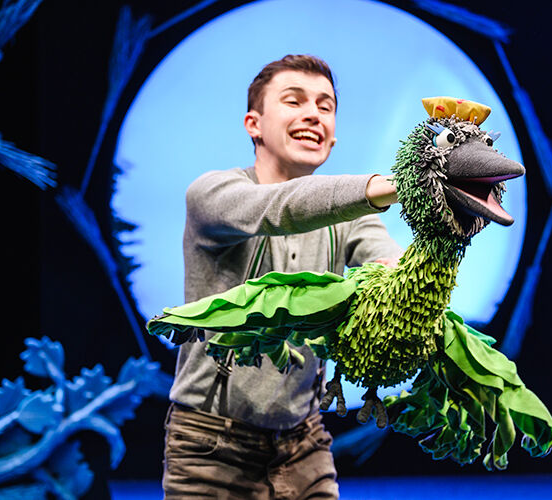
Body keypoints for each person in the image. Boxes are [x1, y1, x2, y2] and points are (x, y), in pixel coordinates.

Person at [163, 54, 402, 499]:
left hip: (304, 441)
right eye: (294, 101)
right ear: (253, 124)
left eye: (325, 106)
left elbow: (389, 264)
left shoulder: (353, 218)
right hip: (211, 445)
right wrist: (396, 184)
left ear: (333, 137)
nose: (313, 114)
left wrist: (437, 234)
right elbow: (275, 208)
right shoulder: (213, 195)